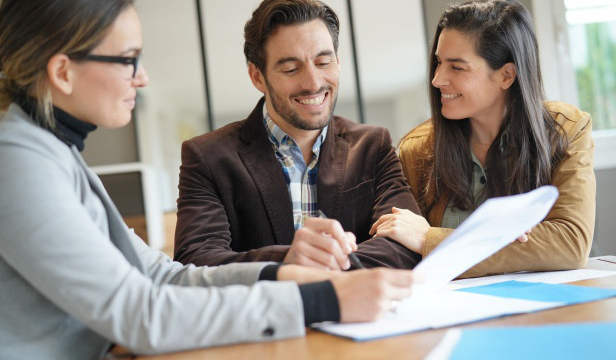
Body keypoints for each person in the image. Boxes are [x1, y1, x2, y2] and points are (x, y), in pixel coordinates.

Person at [0, 1, 416, 359]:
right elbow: (140, 313)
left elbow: (164, 277)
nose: (142, 78)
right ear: (63, 72)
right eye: (128, 59)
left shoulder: (54, 155)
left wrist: (279, 274)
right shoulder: (17, 164)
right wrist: (319, 299)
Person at [174, 0, 421, 271]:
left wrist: (318, 267)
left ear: (338, 63)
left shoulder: (373, 146)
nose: (313, 83)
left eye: (323, 62)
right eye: (291, 69)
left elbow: (404, 245)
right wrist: (289, 262)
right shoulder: (208, 158)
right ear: (257, 76)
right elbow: (196, 260)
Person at [370, 0, 595, 278]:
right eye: (439, 63)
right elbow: (402, 247)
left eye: (457, 67)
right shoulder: (415, 150)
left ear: (506, 75)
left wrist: (430, 239)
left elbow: (570, 244)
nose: (437, 79)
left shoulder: (566, 131)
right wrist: (509, 243)